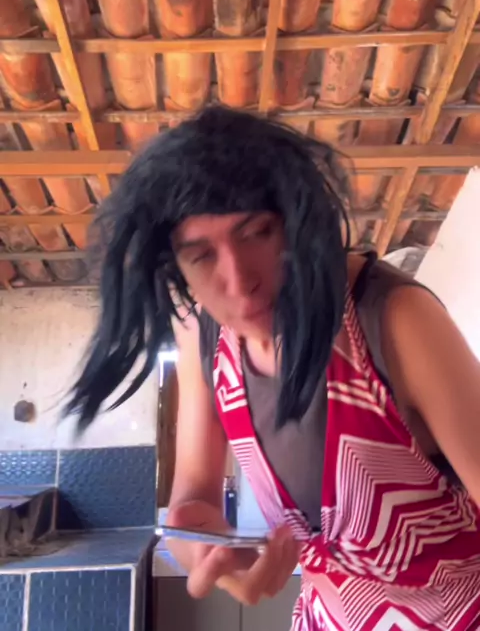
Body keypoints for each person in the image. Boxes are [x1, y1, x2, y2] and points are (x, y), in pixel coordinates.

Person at [66, 106, 480, 630]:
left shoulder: (395, 322)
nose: (240, 282)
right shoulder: (202, 335)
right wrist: (208, 551)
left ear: (298, 224)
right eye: (202, 256)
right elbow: (193, 499)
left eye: (257, 232)